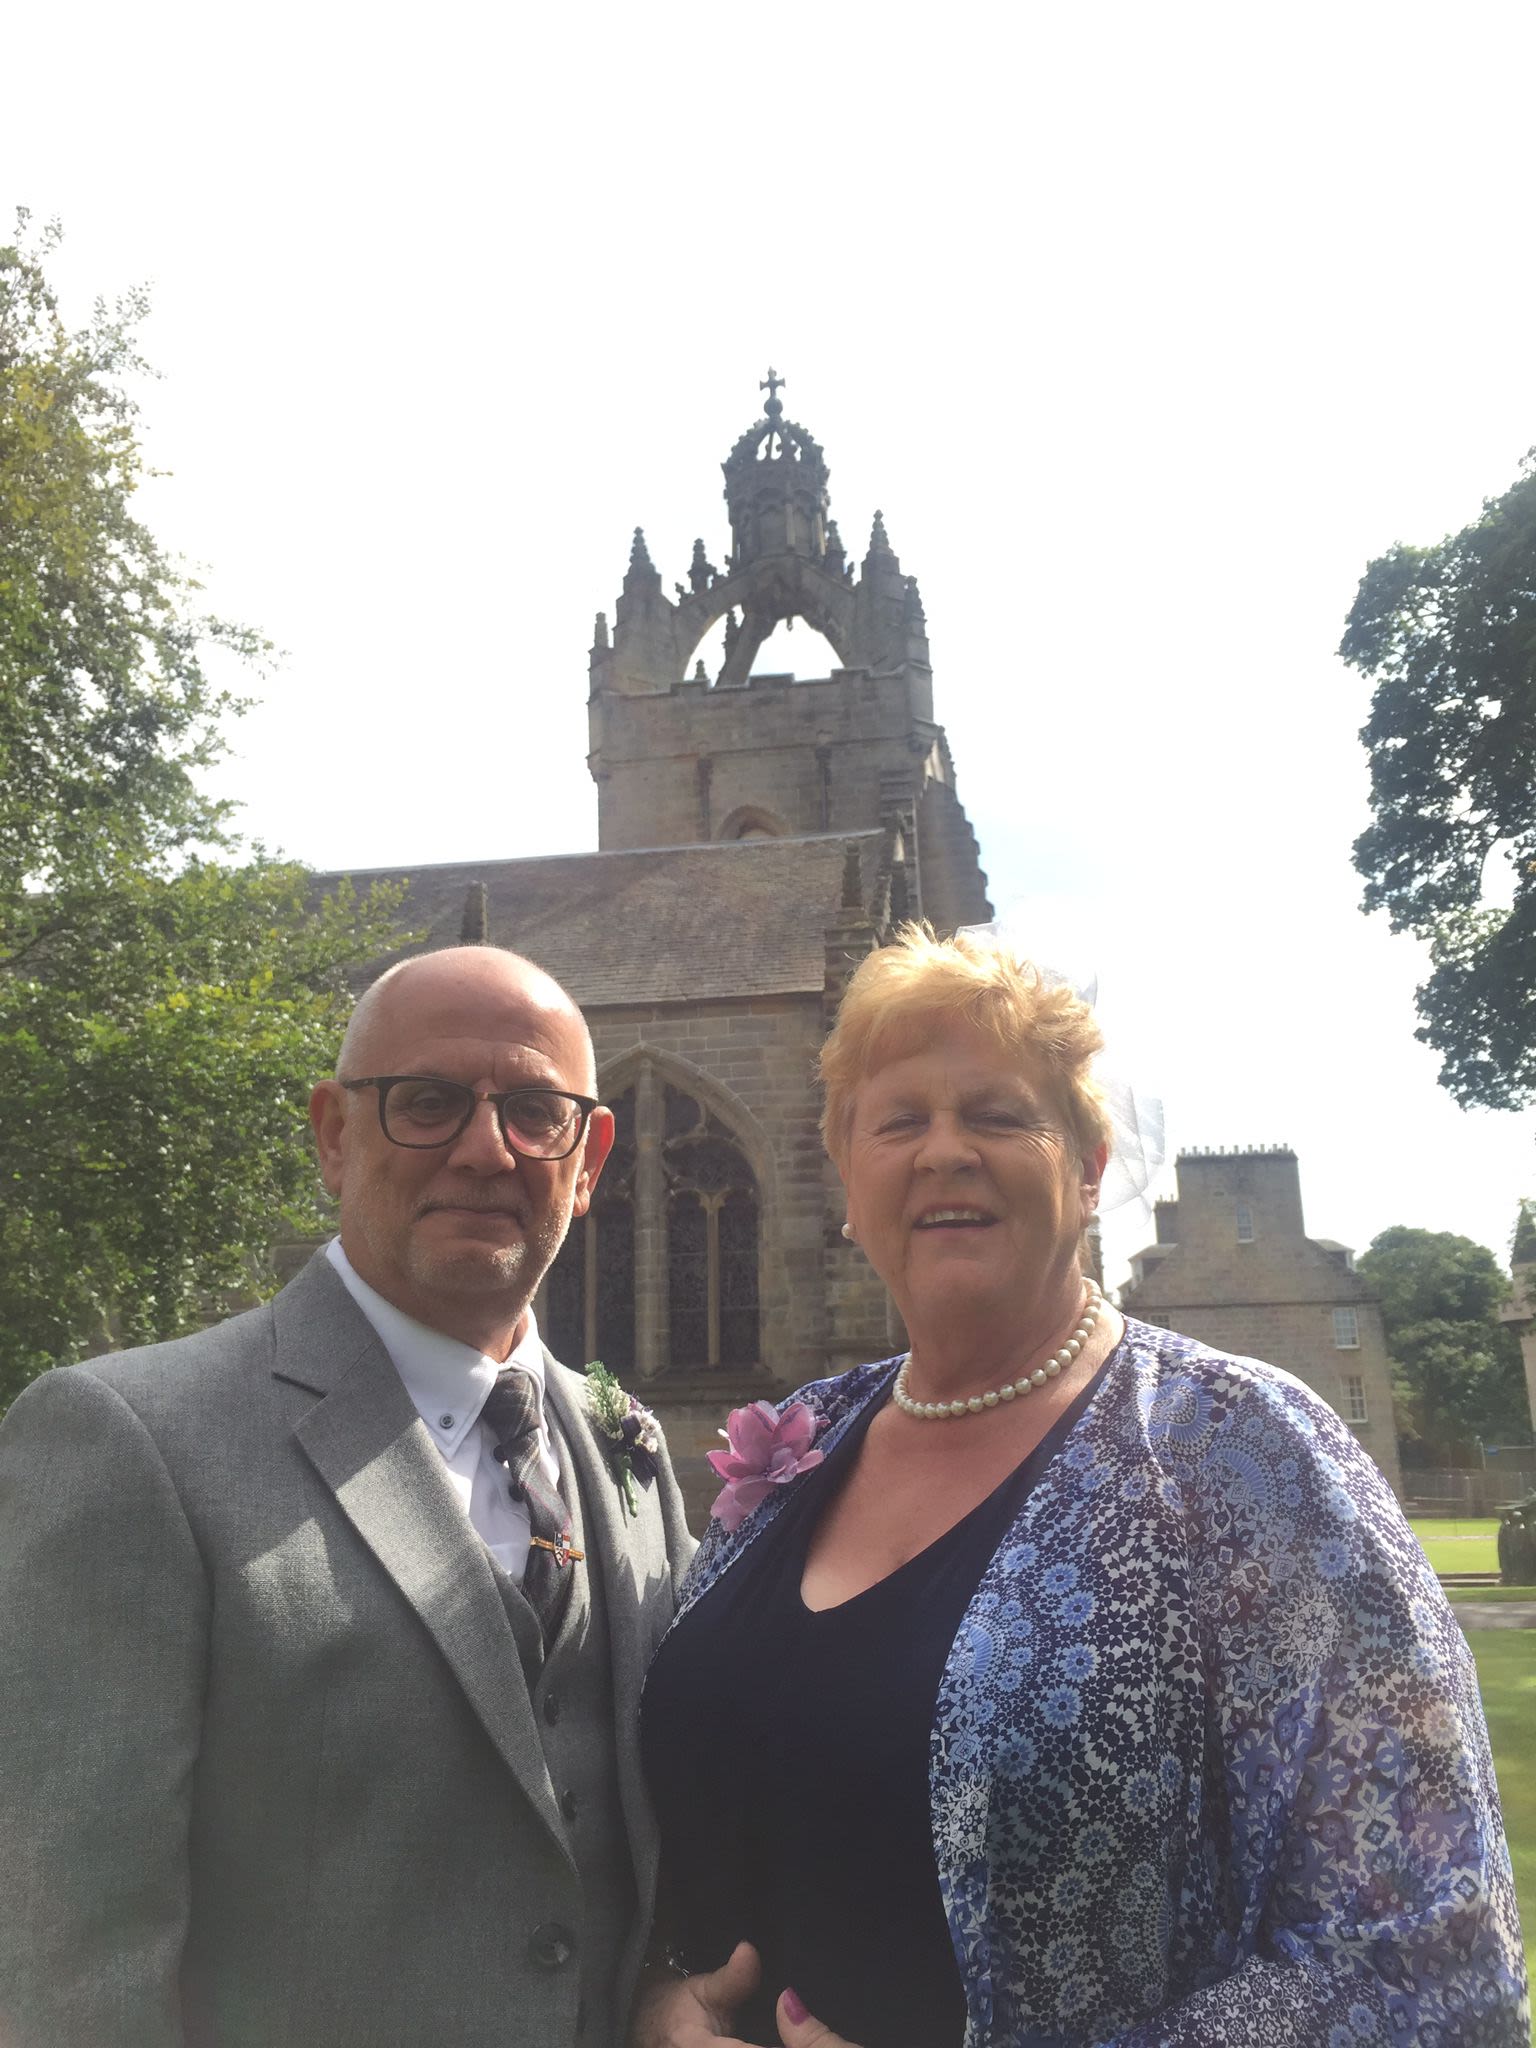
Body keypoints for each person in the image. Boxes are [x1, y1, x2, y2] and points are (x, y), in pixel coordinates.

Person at [636, 926, 1528, 2048]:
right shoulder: (799, 1441)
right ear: (846, 1181)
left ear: (1090, 1167)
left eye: (998, 1114)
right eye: (898, 1120)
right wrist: (657, 1994)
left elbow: (1431, 1965)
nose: (944, 1150)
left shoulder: (1242, 1448)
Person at [0, 945, 694, 2048]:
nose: (486, 1149)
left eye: (534, 1111)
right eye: (427, 1102)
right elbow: (68, 1956)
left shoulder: (628, 1450)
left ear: (589, 1156)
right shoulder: (129, 1440)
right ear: (333, 1133)